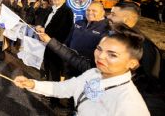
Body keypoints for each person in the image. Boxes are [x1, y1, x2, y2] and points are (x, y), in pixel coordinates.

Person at [14, 23, 150, 116]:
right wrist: (32, 84)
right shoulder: (94, 73)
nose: (101, 57)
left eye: (112, 55)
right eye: (99, 49)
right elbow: (64, 88)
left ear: (132, 63)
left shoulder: (131, 105)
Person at [64, 1, 109, 76]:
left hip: (88, 69)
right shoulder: (79, 23)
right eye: (88, 10)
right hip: (71, 63)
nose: (90, 13)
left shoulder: (107, 28)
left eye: (94, 11)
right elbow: (69, 39)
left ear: (102, 12)